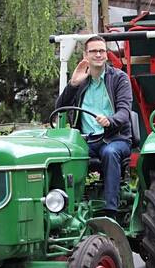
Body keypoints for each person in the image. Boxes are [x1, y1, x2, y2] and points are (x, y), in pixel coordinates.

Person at [55, 35, 133, 219]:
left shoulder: (119, 79)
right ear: (85, 55)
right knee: (63, 155)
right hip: (86, 140)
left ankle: (110, 213)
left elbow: (124, 111)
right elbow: (60, 107)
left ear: (106, 54)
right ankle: (63, 207)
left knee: (110, 153)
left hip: (115, 138)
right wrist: (73, 84)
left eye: (101, 51)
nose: (98, 54)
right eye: (93, 51)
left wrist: (110, 121)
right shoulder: (81, 82)